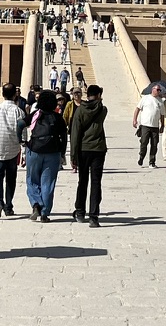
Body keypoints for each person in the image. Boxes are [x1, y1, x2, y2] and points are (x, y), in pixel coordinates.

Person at [24, 90, 68, 222]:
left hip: (34, 150)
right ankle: (44, 213)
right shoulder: (57, 117)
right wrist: (62, 152)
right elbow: (64, 136)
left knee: (32, 180)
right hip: (53, 152)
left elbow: (20, 124)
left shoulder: (36, 115)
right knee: (48, 184)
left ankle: (36, 203)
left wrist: (20, 140)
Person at [0, 83, 26, 220]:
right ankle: (8, 207)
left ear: (3, 94)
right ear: (15, 95)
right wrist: (24, 151)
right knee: (10, 179)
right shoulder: (19, 111)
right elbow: (23, 132)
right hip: (13, 150)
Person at [70, 84, 107, 227]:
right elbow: (99, 106)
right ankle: (93, 216)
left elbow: (75, 133)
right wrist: (99, 99)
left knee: (83, 181)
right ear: (98, 95)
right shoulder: (103, 109)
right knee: (96, 182)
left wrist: (73, 155)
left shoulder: (79, 111)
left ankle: (80, 211)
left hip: (83, 149)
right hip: (98, 149)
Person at [133, 85, 165, 168]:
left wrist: (162, 125)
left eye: (159, 90)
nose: (158, 91)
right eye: (157, 89)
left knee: (154, 144)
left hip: (155, 126)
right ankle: (141, 156)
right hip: (145, 125)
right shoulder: (145, 98)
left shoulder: (160, 101)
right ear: (152, 89)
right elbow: (137, 109)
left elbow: (162, 114)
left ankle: (152, 161)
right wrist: (135, 119)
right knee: (144, 142)